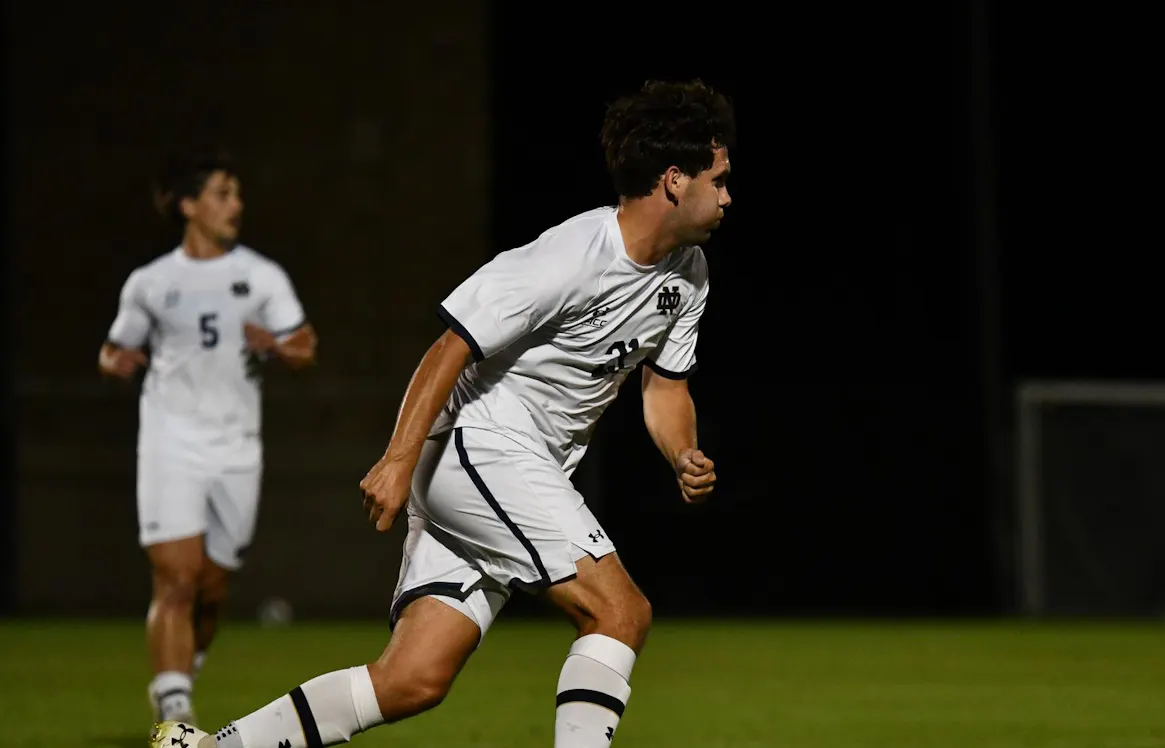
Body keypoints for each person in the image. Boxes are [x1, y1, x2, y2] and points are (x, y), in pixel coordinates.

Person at [152, 78, 735, 748]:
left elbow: (664, 390)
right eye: (718, 180)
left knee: (411, 680)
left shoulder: (689, 273)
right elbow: (451, 345)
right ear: (673, 180)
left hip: (507, 470)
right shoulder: (572, 255)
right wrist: (397, 460)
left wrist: (681, 452)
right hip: (482, 447)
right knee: (620, 612)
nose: (727, 196)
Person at [100, 148, 318, 726]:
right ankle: (174, 717)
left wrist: (277, 346)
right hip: (170, 442)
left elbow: (305, 345)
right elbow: (114, 348)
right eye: (223, 193)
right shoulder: (151, 282)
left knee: (212, 590)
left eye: (237, 193)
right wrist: (115, 362)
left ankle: (180, 673)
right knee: (176, 578)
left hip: (238, 447)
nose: (236, 204)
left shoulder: (262, 275)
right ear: (188, 205)